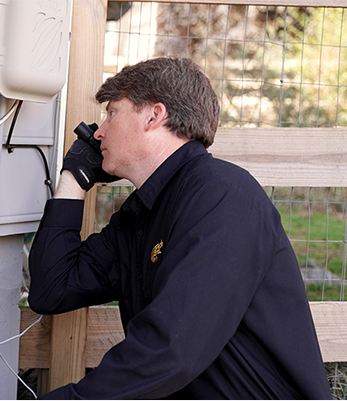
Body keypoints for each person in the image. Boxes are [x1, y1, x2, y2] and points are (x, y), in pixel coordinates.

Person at [28, 57, 332, 399]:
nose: (98, 131)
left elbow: (171, 349)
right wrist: (74, 179)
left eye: (112, 113)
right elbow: (52, 288)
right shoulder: (140, 217)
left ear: (154, 116)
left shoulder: (222, 195)